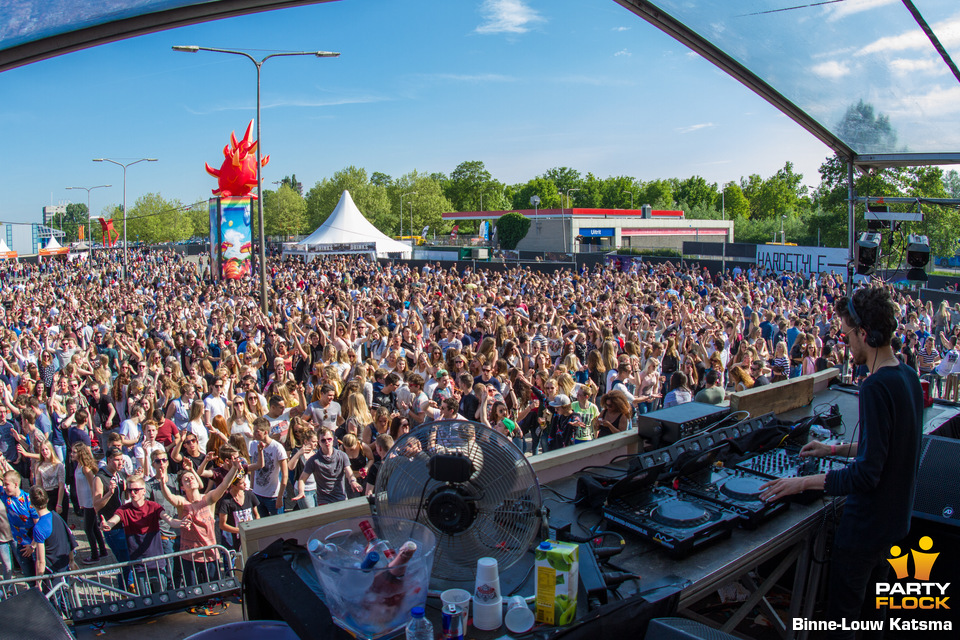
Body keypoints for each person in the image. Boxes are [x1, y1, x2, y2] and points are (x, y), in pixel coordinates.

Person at [760, 286, 923, 639]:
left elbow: (867, 474)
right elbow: (884, 449)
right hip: (895, 527)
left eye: (847, 334)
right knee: (874, 624)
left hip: (865, 531)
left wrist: (799, 483)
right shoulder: (908, 377)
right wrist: (833, 451)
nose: (845, 342)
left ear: (864, 333)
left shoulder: (876, 388)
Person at [159, 459, 240, 586]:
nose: (190, 480)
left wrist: (234, 468)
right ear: (182, 487)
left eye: (192, 477)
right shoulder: (182, 502)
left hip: (210, 555)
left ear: (197, 481)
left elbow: (224, 485)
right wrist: (163, 484)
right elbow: (170, 497)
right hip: (189, 557)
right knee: (195, 593)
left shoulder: (208, 498)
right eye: (186, 480)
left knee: (214, 591)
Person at [100, 474, 180, 594]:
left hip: (157, 563)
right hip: (138, 565)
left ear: (144, 491)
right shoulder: (124, 510)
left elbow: (170, 520)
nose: (133, 493)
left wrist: (181, 523)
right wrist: (108, 525)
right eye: (130, 490)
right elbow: (113, 520)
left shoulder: (153, 506)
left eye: (136, 490)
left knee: (162, 597)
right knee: (145, 600)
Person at [294, 427, 363, 506]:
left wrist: (353, 481)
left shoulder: (342, 455)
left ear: (333, 439)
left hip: (341, 497)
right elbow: (302, 479)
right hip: (324, 499)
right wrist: (301, 492)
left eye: (329, 439)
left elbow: (349, 472)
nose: (327, 442)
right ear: (319, 442)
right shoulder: (313, 460)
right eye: (323, 440)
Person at [29, 485, 77, 575]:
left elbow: (41, 561)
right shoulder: (56, 516)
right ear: (47, 500)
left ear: (31, 504)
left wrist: (38, 582)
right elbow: (69, 539)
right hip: (64, 567)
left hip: (52, 572)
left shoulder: (39, 528)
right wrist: (71, 561)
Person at [93, 446, 130, 562]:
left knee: (128, 562)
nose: (121, 463)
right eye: (117, 460)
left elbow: (126, 498)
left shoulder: (121, 475)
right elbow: (96, 505)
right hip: (112, 525)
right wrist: (109, 493)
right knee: (124, 561)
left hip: (124, 523)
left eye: (122, 460)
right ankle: (126, 581)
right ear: (108, 460)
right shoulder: (100, 478)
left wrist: (128, 488)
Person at [247, 417, 288, 517]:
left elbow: (285, 475)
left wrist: (280, 497)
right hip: (258, 493)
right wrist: (252, 488)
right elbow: (253, 469)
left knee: (278, 524)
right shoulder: (253, 444)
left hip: (273, 495)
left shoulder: (277, 447)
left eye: (257, 431)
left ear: (265, 432)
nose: (254, 434)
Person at [1, 469, 38, 576]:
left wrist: (33, 546)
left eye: (6, 484)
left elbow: (38, 524)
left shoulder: (28, 500)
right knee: (28, 575)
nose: (3, 486)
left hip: (33, 543)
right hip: (20, 544)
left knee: (39, 574)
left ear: (16, 484)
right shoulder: (4, 495)